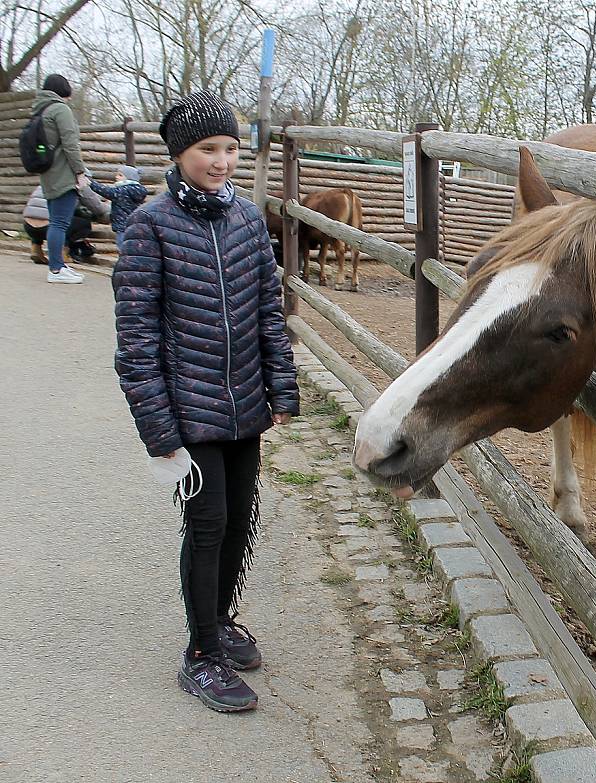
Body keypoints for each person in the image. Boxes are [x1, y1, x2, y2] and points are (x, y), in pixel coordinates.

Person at [112, 90, 299, 713]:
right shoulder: (149, 228)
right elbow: (135, 339)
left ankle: (220, 620)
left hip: (244, 400)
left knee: (242, 516)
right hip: (186, 407)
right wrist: (157, 427)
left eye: (228, 149)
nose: (220, 161)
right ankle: (200, 654)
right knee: (209, 520)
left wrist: (281, 387)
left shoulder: (247, 219)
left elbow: (268, 311)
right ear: (179, 154)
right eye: (206, 149)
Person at [32, 73, 88, 284]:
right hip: (63, 173)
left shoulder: (40, 109)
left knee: (56, 221)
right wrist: (79, 171)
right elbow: (70, 143)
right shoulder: (60, 109)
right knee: (59, 223)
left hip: (48, 172)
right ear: (64, 91)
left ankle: (59, 266)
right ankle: (56, 269)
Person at [22, 178, 108, 264]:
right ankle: (63, 253)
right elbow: (98, 208)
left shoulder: (47, 181)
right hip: (49, 227)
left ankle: (36, 248)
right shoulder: (80, 184)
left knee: (41, 216)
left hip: (28, 226)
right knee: (84, 225)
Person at [88, 165, 147, 253]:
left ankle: (125, 263)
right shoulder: (137, 191)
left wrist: (91, 183)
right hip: (134, 225)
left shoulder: (122, 191)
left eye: (120, 175)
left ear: (129, 178)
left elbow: (106, 191)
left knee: (122, 248)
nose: (116, 177)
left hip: (122, 225)